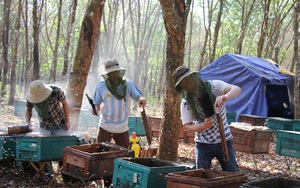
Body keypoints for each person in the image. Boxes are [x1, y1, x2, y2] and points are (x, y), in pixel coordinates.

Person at [172, 65, 241, 172]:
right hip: (203, 144)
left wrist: (225, 97)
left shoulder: (215, 86)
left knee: (233, 174)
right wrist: (203, 125)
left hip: (224, 140)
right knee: (201, 176)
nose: (188, 84)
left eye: (188, 80)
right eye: (184, 83)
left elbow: (236, 89)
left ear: (194, 76)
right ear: (181, 87)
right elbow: (188, 127)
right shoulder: (186, 103)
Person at [92, 59, 147, 148]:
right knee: (100, 152)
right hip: (105, 125)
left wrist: (142, 99)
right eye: (111, 73)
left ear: (119, 72)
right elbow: (96, 104)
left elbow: (138, 96)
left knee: (124, 154)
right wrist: (95, 109)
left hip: (122, 126)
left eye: (115, 73)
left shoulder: (128, 84)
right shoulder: (101, 87)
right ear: (107, 75)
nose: (113, 75)